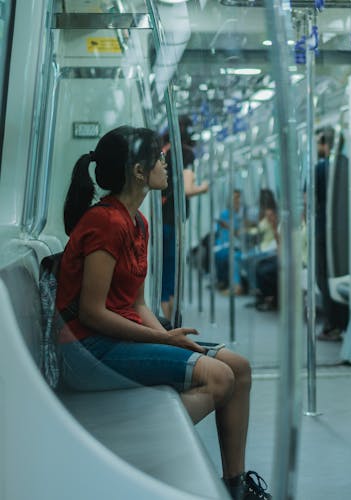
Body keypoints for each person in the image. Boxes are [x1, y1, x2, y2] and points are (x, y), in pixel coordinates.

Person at [56, 126, 270, 500]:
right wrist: (161, 339)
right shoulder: (107, 222)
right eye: (157, 157)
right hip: (87, 349)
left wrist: (174, 341)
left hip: (118, 337)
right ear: (139, 171)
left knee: (239, 367)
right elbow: (91, 313)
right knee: (218, 378)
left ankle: (236, 487)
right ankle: (122, 461)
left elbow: (137, 305)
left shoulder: (138, 222)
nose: (165, 162)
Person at [161, 115, 209, 321]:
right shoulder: (185, 154)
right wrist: (203, 188)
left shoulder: (163, 150)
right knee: (171, 278)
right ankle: (168, 327)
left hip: (158, 221)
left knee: (161, 274)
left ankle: (163, 322)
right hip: (173, 221)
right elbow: (187, 189)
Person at [313, 127, 349, 340]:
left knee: (324, 278)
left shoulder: (320, 168)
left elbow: (310, 200)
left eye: (319, 143)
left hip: (323, 230)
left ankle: (330, 325)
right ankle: (342, 322)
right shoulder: (346, 164)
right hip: (344, 232)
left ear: (325, 144)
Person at [215, 189, 247, 295]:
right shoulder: (225, 214)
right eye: (234, 198)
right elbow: (222, 234)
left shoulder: (244, 214)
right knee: (220, 254)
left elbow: (243, 232)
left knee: (232, 256)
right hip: (227, 244)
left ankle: (235, 285)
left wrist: (230, 228)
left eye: (238, 197)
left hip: (242, 244)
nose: (236, 200)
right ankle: (224, 282)